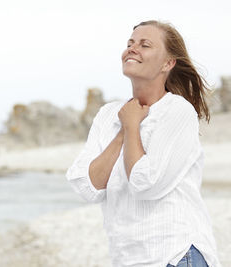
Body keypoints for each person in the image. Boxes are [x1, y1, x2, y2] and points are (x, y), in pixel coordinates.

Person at [65, 20, 221, 267]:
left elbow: (145, 183)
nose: (132, 48)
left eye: (144, 44)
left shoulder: (177, 111)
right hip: (128, 259)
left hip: (175, 255)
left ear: (168, 63)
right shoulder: (108, 115)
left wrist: (131, 126)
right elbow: (87, 186)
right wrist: (124, 129)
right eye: (130, 43)